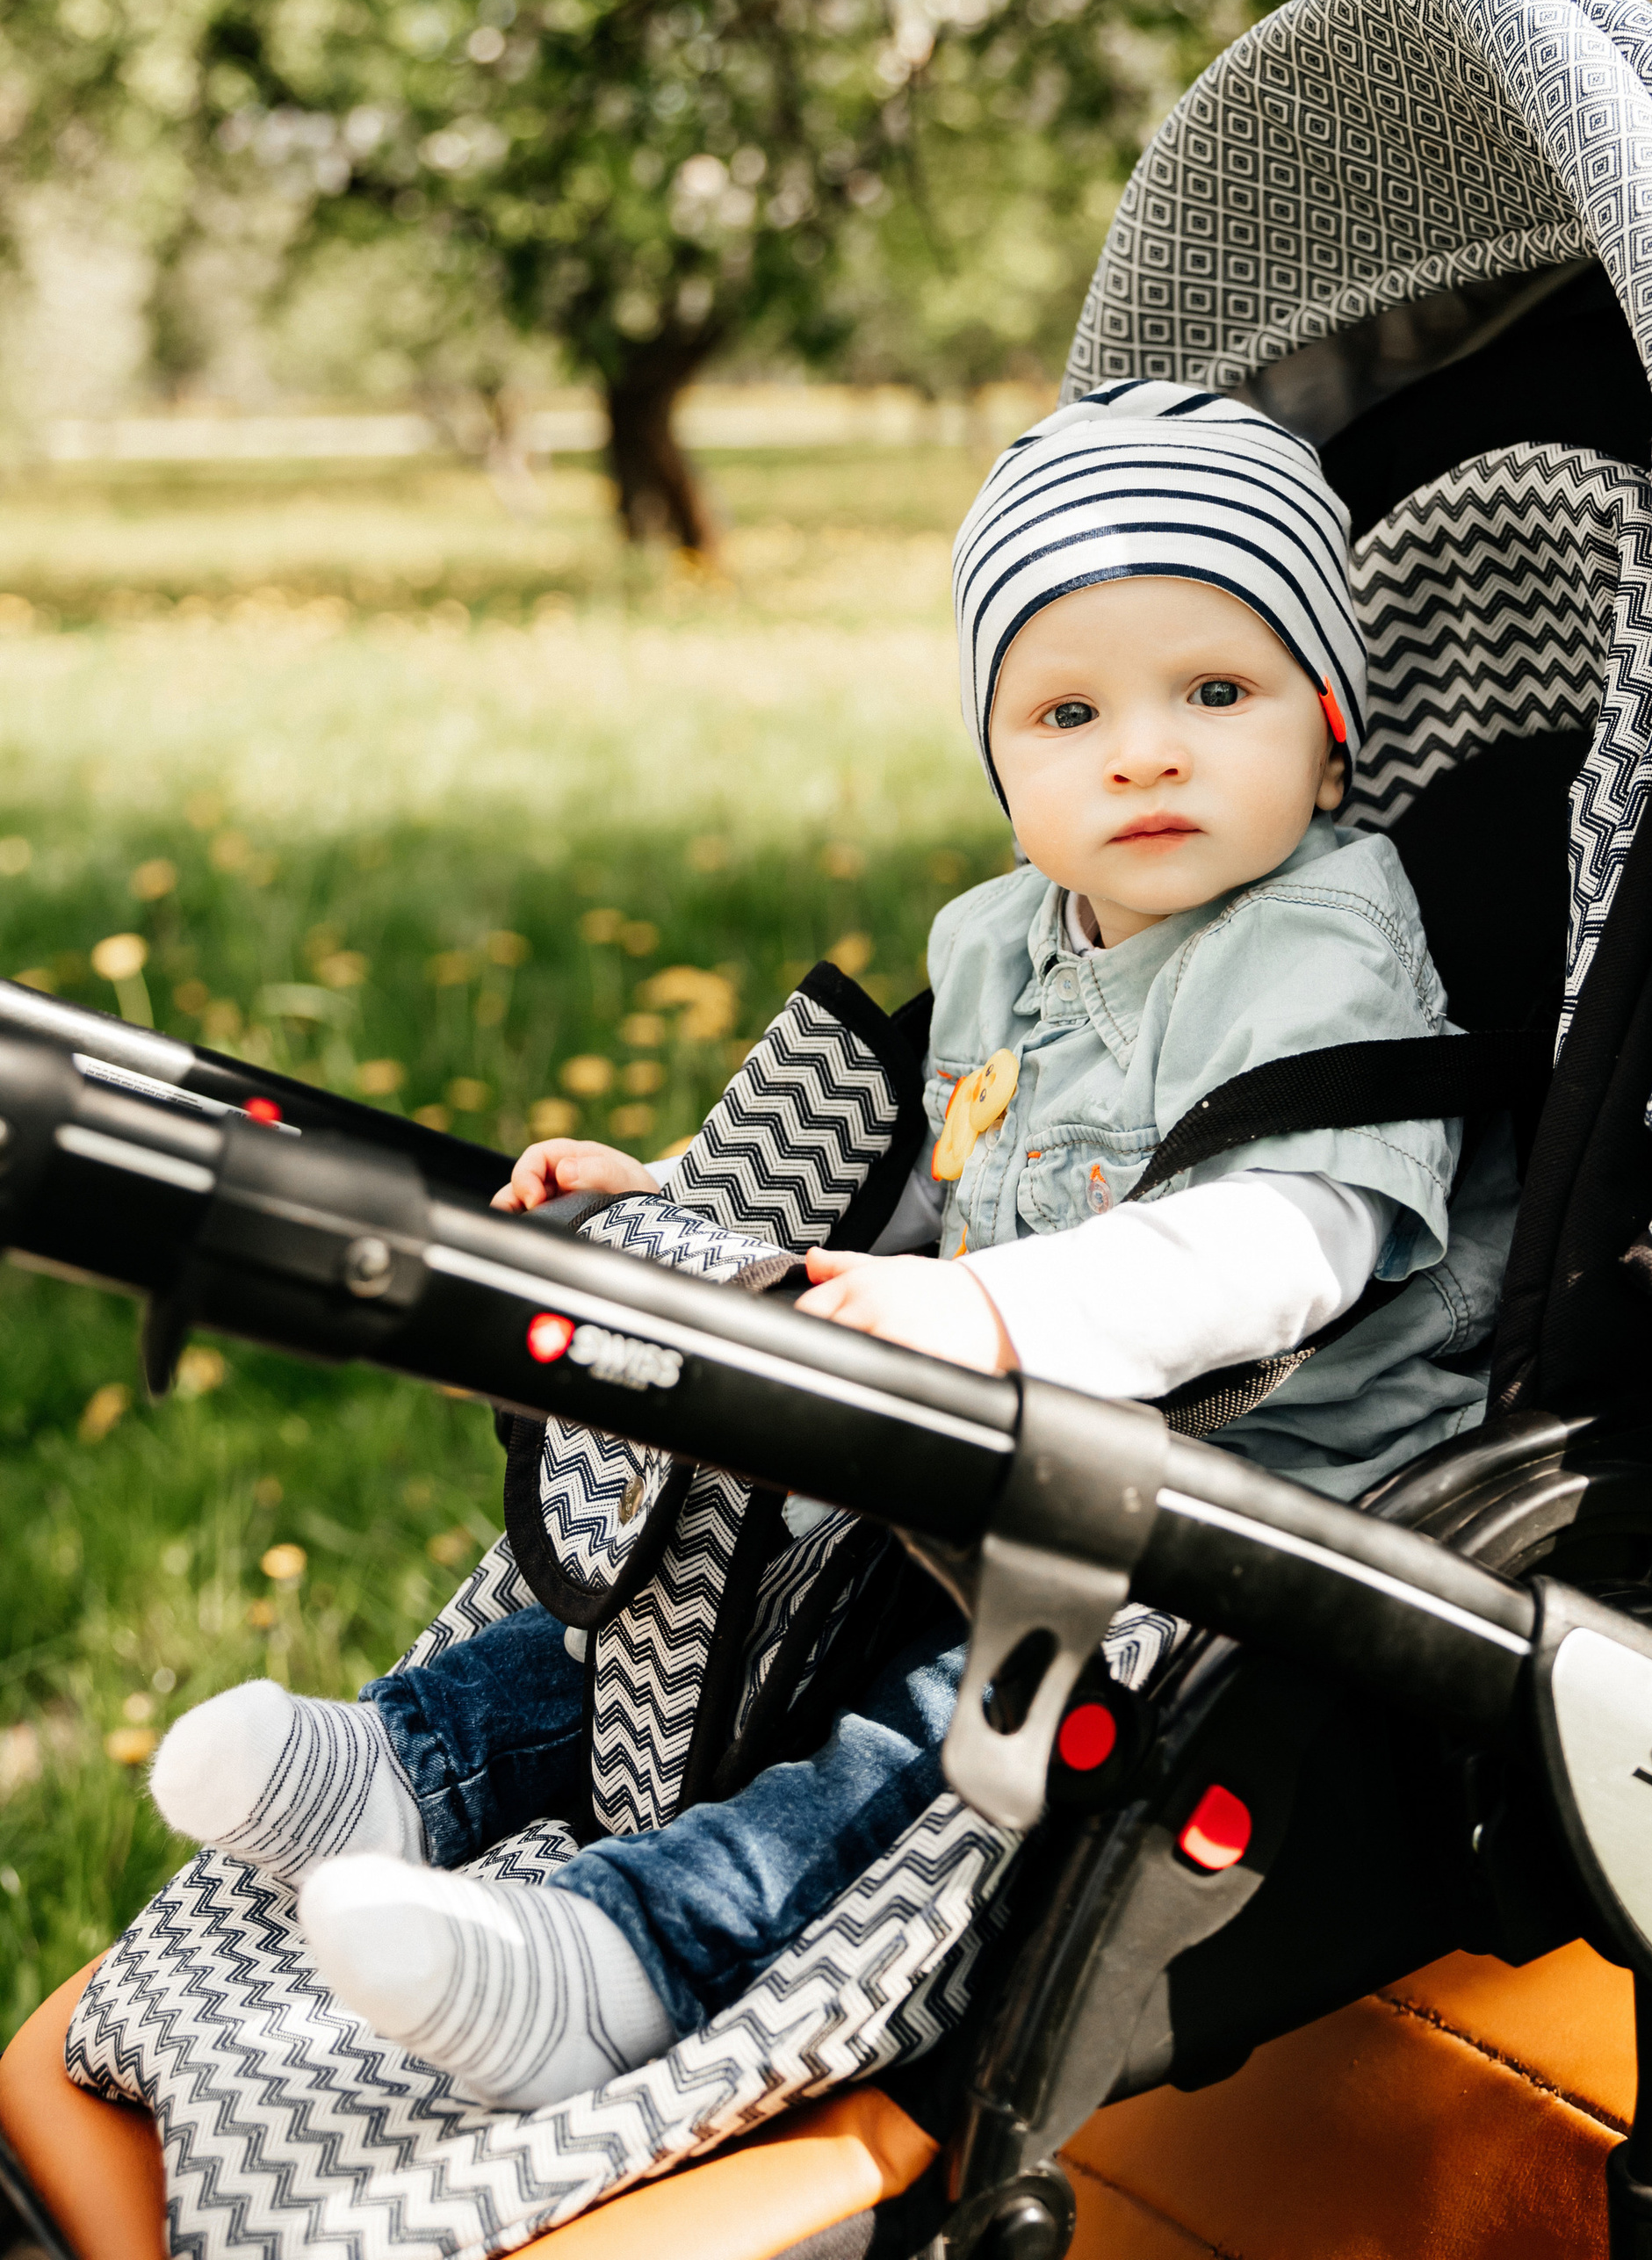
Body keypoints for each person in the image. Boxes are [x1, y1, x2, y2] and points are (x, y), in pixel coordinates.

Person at [148, 382, 1471, 2110]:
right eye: (1067, 712)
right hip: (1010, 1421)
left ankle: (626, 1958)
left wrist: (989, 1313)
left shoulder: (1325, 949)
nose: (1140, 749)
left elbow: (1289, 1241)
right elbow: (915, 1175)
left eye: (1210, 694)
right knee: (715, 1579)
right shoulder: (1009, 945)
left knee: (921, 1719)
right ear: (1004, 773)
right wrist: (678, 1210)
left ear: (1327, 729)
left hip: (1248, 1501)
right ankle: (407, 1767)